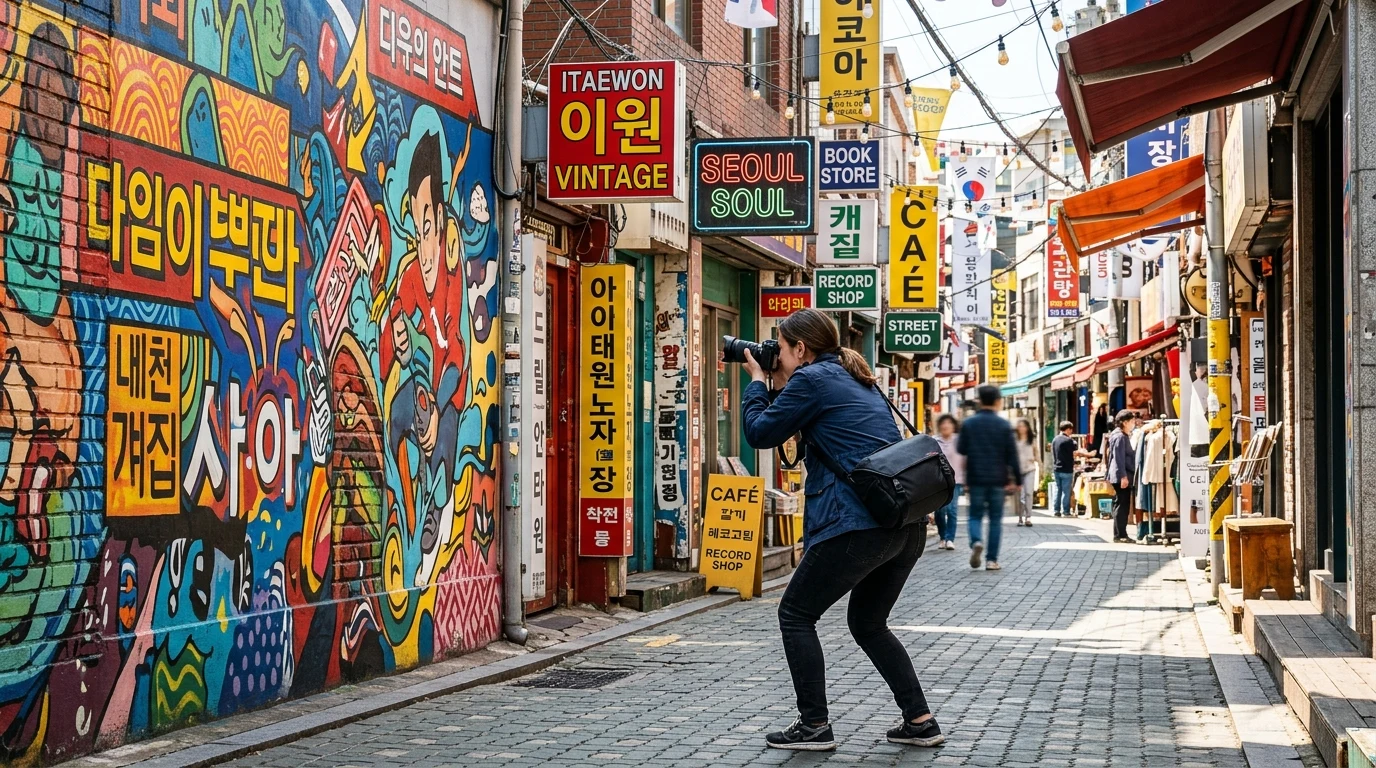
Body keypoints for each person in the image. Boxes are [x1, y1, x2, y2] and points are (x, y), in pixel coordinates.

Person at [739, 308, 942, 752]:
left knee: (795, 615)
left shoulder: (811, 381)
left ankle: (814, 726)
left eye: (780, 346)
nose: (776, 354)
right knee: (869, 623)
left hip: (857, 525)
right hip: (902, 523)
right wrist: (777, 384)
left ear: (800, 349)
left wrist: (756, 381)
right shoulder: (855, 377)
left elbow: (759, 433)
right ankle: (920, 720)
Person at [957, 385, 1021, 571]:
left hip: (976, 478)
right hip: (997, 479)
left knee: (975, 515)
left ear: (979, 401)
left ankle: (976, 541)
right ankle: (991, 560)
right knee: (995, 519)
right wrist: (1017, 479)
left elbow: (961, 449)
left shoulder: (969, 423)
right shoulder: (1003, 425)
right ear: (997, 401)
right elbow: (1012, 455)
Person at [1106, 409, 1138, 543]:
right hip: (1121, 475)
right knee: (1122, 505)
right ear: (1124, 422)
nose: (1133, 423)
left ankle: (1119, 534)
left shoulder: (1118, 435)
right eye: (1131, 421)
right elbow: (1119, 458)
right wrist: (1123, 477)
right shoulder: (1120, 437)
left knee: (1120, 504)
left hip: (1118, 474)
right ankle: (1121, 535)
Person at [933, 414, 964, 550]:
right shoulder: (934, 441)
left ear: (953, 426)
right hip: (939, 481)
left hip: (956, 480)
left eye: (949, 423)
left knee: (952, 510)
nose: (945, 426)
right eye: (943, 423)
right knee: (940, 511)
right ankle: (942, 536)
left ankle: (950, 538)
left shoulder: (959, 441)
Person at [1049, 422, 1081, 518]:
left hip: (1056, 468)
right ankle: (1066, 511)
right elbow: (1075, 452)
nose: (1071, 432)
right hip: (1066, 469)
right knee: (1066, 491)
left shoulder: (1055, 440)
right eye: (1071, 430)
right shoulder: (1068, 440)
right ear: (1068, 429)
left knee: (1057, 490)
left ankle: (1056, 510)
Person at [1013, 419, 1038, 527]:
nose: (1021, 428)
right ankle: (1020, 517)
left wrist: (1039, 464)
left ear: (1027, 428)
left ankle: (1028, 517)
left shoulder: (1032, 440)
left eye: (1023, 426)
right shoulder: (1014, 440)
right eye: (1019, 426)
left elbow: (1037, 454)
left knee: (1028, 493)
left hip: (1030, 469)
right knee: (1020, 495)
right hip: (1018, 471)